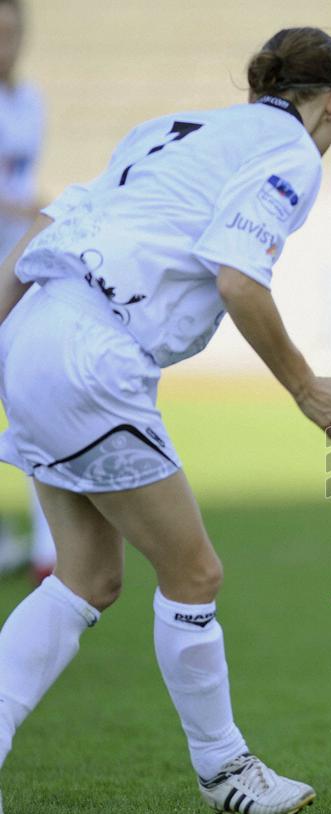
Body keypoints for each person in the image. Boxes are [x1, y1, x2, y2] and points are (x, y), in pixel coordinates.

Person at [0, 27, 331, 814]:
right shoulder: (293, 153)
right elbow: (239, 278)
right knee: (193, 573)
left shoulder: (168, 128)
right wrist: (304, 387)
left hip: (33, 331)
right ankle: (224, 767)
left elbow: (45, 231)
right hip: (94, 356)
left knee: (88, 576)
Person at [0, 0, 57, 583]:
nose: (5, 42)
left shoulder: (28, 102)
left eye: (11, 31)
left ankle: (50, 552)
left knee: (34, 406)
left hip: (16, 273)